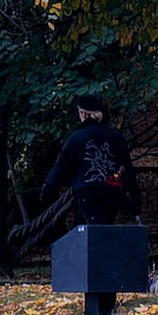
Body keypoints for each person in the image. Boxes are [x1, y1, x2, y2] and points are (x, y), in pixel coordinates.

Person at [36, 96, 136, 232]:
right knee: (104, 231)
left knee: (89, 235)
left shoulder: (78, 137)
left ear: (83, 114)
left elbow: (60, 167)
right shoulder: (116, 137)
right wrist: (135, 202)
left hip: (88, 194)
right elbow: (129, 171)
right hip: (112, 192)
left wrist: (46, 192)